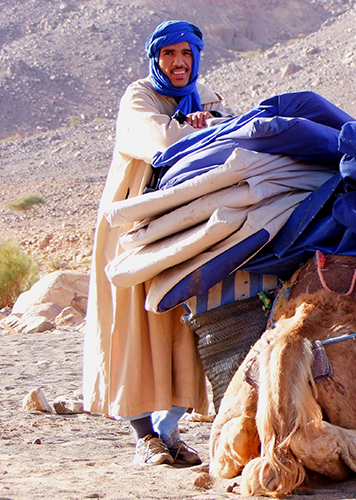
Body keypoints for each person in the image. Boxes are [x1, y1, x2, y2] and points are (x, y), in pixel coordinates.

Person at [82, 20, 235, 467]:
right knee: (135, 328)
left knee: (181, 328)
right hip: (132, 230)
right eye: (170, 54)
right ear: (156, 59)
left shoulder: (206, 95)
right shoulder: (139, 97)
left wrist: (210, 124)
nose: (179, 62)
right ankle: (143, 437)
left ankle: (168, 432)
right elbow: (162, 142)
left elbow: (238, 129)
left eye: (186, 53)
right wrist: (200, 130)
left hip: (182, 229)